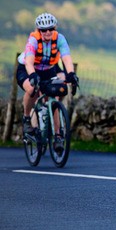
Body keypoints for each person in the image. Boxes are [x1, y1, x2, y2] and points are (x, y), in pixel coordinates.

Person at [16, 12, 78, 149]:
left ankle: (58, 137)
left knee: (54, 97)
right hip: (27, 68)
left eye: (51, 29)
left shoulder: (60, 39)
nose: (48, 32)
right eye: (44, 30)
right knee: (32, 89)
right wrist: (32, 75)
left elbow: (66, 58)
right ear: (39, 30)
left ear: (55, 29)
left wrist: (71, 74)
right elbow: (29, 62)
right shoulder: (33, 40)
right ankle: (27, 118)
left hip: (48, 69)